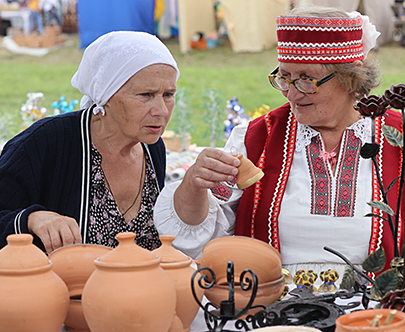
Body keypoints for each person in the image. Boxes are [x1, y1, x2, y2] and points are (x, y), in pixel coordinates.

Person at [154, 6, 404, 278]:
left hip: (378, 309)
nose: (292, 94)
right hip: (270, 304)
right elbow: (201, 233)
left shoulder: (396, 138)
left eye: (307, 80)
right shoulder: (257, 139)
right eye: (285, 78)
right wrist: (194, 185)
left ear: (351, 76)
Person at [0, 31, 180, 260]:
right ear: (105, 93)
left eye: (168, 94)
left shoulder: (151, 147)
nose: (161, 110)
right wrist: (32, 219)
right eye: (146, 95)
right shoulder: (47, 142)